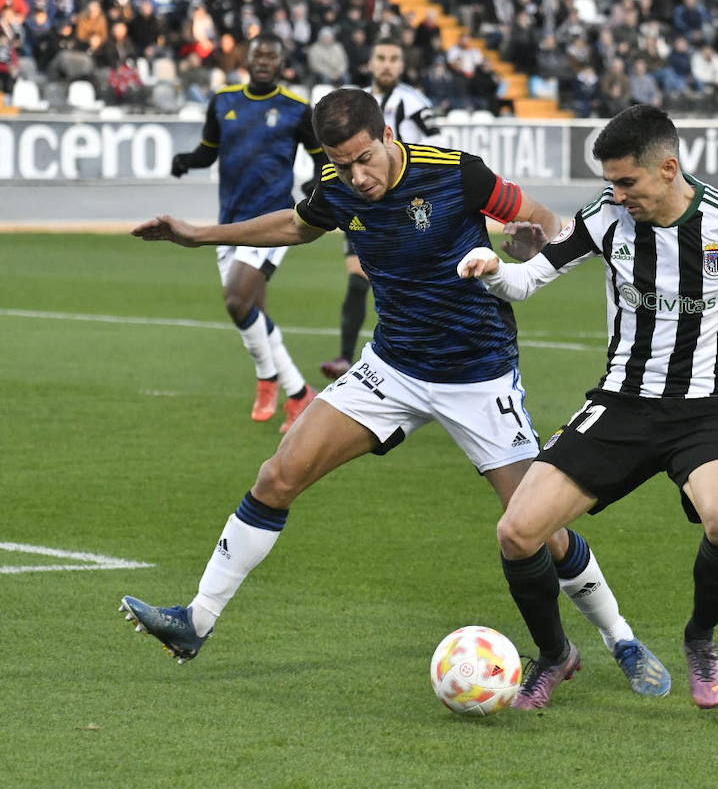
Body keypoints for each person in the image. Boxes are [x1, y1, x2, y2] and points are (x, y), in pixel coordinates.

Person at [121, 89, 671, 698]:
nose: (357, 176)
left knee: (536, 526)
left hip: (479, 375)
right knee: (279, 475)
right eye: (340, 162)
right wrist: (200, 235)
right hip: (393, 369)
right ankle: (195, 621)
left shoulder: (456, 173)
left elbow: (543, 223)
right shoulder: (335, 185)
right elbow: (296, 225)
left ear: (387, 136)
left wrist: (520, 246)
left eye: (364, 159)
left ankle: (619, 637)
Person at [457, 104, 718, 710]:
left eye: (627, 182)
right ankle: (555, 655)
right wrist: (493, 270)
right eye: (610, 183)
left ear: (668, 169)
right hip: (621, 403)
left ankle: (700, 639)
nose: (617, 195)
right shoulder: (602, 221)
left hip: (706, 409)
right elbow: (526, 281)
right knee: (517, 532)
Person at [169, 34, 323, 432]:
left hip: (273, 224)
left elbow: (324, 161)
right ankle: (300, 394)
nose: (264, 61)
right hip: (230, 223)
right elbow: (208, 151)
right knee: (253, 313)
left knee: (237, 301)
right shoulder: (224, 101)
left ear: (282, 63)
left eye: (272, 56)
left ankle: (267, 378)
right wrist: (185, 161)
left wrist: (311, 192)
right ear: (247, 59)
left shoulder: (296, 109)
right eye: (258, 55)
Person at [318, 38, 440, 382]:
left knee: (410, 286)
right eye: (381, 58)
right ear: (370, 63)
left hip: (404, 209)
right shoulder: (352, 104)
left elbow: (435, 150)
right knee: (358, 282)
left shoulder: (414, 103)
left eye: (394, 59)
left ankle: (425, 360)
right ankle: (345, 356)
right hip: (361, 205)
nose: (387, 64)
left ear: (402, 65)